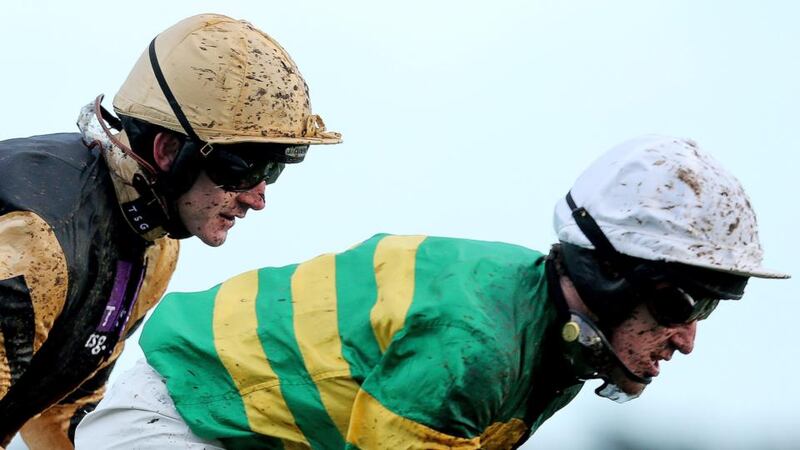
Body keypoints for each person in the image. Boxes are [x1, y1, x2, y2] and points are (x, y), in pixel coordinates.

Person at [75, 135, 787, 449]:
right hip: (175, 425)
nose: (689, 339)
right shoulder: (475, 343)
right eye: (677, 306)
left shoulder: (563, 341)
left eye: (709, 308)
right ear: (608, 275)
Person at [0, 13, 341, 450]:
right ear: (167, 152)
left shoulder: (155, 245)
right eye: (246, 169)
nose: (258, 198)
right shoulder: (33, 241)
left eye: (272, 171)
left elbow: (65, 409)